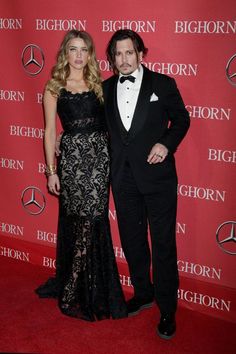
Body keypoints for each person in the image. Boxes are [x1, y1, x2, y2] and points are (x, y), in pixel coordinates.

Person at [103, 29, 190, 339]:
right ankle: (143, 293)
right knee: (132, 240)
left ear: (141, 54)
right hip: (123, 179)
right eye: (118, 54)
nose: (124, 59)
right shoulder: (106, 88)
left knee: (164, 244)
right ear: (111, 59)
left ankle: (168, 310)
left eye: (130, 52)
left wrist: (166, 144)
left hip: (158, 178)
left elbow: (181, 120)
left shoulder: (163, 84)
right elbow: (97, 130)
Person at [35, 30, 127, 322]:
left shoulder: (100, 84)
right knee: (79, 223)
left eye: (83, 50)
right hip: (73, 164)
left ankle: (77, 285)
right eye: (73, 49)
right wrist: (51, 171)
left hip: (99, 161)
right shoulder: (53, 87)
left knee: (92, 221)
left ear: (89, 54)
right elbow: (50, 132)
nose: (78, 55)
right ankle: (73, 284)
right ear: (65, 52)